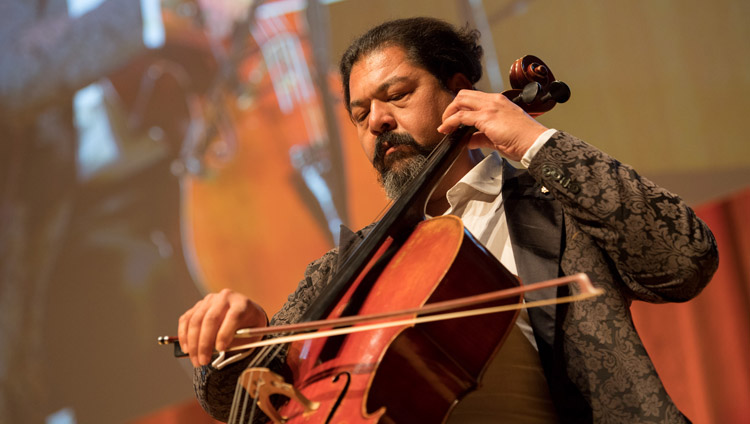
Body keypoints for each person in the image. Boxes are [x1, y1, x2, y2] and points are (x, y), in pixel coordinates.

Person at [178, 17, 718, 423]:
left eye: (397, 95)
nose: (378, 124)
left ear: (458, 91)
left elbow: (683, 259)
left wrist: (533, 141)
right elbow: (234, 399)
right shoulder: (344, 266)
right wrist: (242, 340)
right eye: (361, 115)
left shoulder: (556, 202)